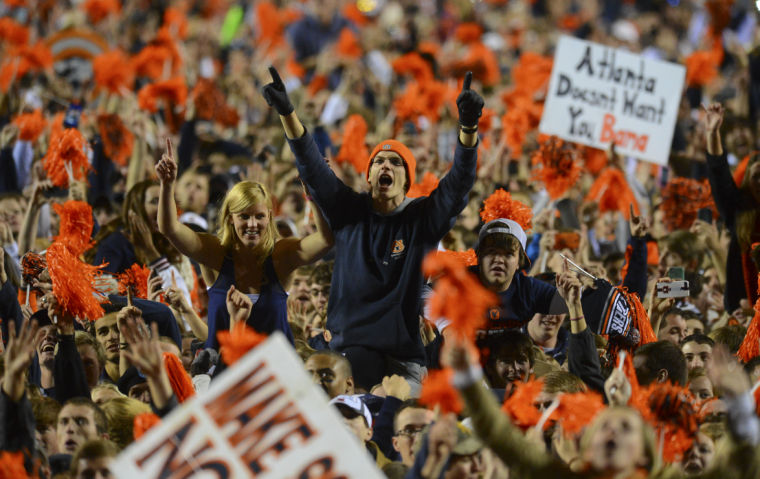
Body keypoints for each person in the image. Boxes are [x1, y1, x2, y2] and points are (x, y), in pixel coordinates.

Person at [263, 66, 483, 391]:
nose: (385, 166)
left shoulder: (422, 219)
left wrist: (468, 128)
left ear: (407, 182)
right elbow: (311, 165)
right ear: (368, 176)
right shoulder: (348, 210)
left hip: (403, 362)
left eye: (396, 163)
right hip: (346, 355)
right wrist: (287, 113)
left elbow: (459, 183)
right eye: (379, 161)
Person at [156, 138, 333, 349]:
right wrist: (167, 186)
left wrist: (314, 192)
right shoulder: (215, 253)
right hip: (225, 373)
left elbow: (325, 240)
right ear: (230, 218)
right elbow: (169, 228)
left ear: (269, 217)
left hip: (273, 374)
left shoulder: (281, 256)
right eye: (244, 216)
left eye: (259, 216)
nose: (252, 224)